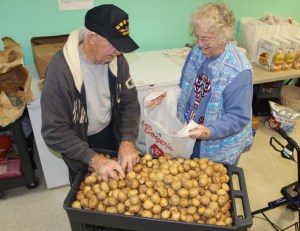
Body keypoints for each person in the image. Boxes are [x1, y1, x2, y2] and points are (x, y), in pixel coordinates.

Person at [40, 4, 140, 185]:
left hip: (109, 131)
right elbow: (54, 131)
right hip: (77, 140)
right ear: (93, 37)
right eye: (114, 44)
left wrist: (127, 140)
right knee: (85, 188)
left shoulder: (116, 60)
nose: (119, 52)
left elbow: (129, 103)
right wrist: (94, 160)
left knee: (118, 187)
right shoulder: (61, 72)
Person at [151, 2, 253, 165]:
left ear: (223, 36)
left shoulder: (239, 71)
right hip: (191, 133)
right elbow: (185, 86)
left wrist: (209, 131)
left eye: (205, 38)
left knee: (212, 185)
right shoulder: (197, 52)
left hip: (219, 145)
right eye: (196, 36)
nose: (199, 43)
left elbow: (238, 117)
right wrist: (168, 94)